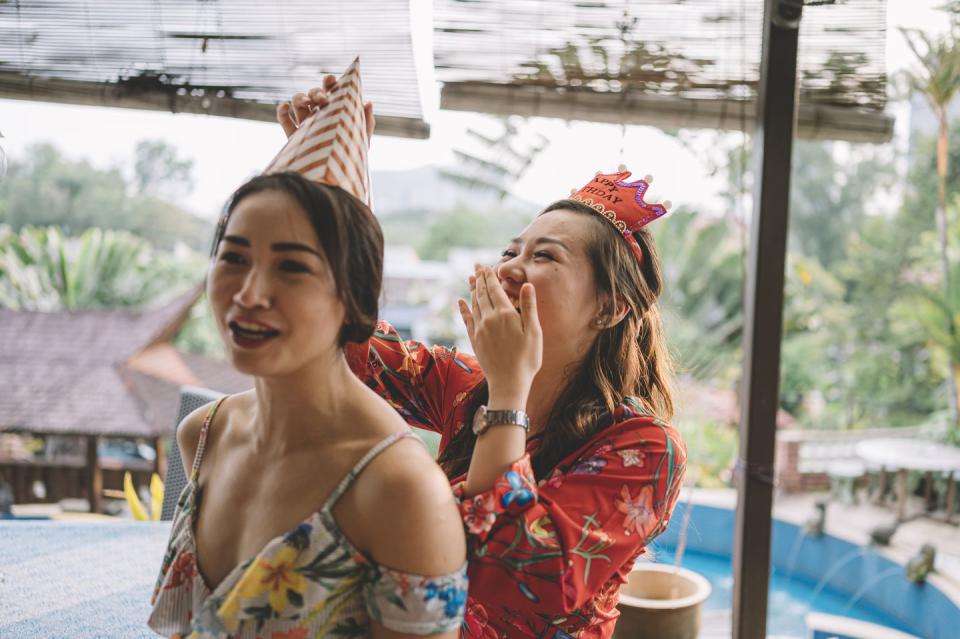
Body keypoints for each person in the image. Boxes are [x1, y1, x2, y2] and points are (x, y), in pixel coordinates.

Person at [279, 89, 687, 639]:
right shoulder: (466, 384)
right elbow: (352, 349)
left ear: (610, 308)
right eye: (510, 252)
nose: (511, 268)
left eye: (544, 256)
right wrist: (329, 183)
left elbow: (521, 573)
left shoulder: (645, 445)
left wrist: (509, 395)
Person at [149, 62, 467, 639]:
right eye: (234, 257)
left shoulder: (401, 491)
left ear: (355, 298)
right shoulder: (203, 435)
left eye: (291, 267)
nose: (249, 294)